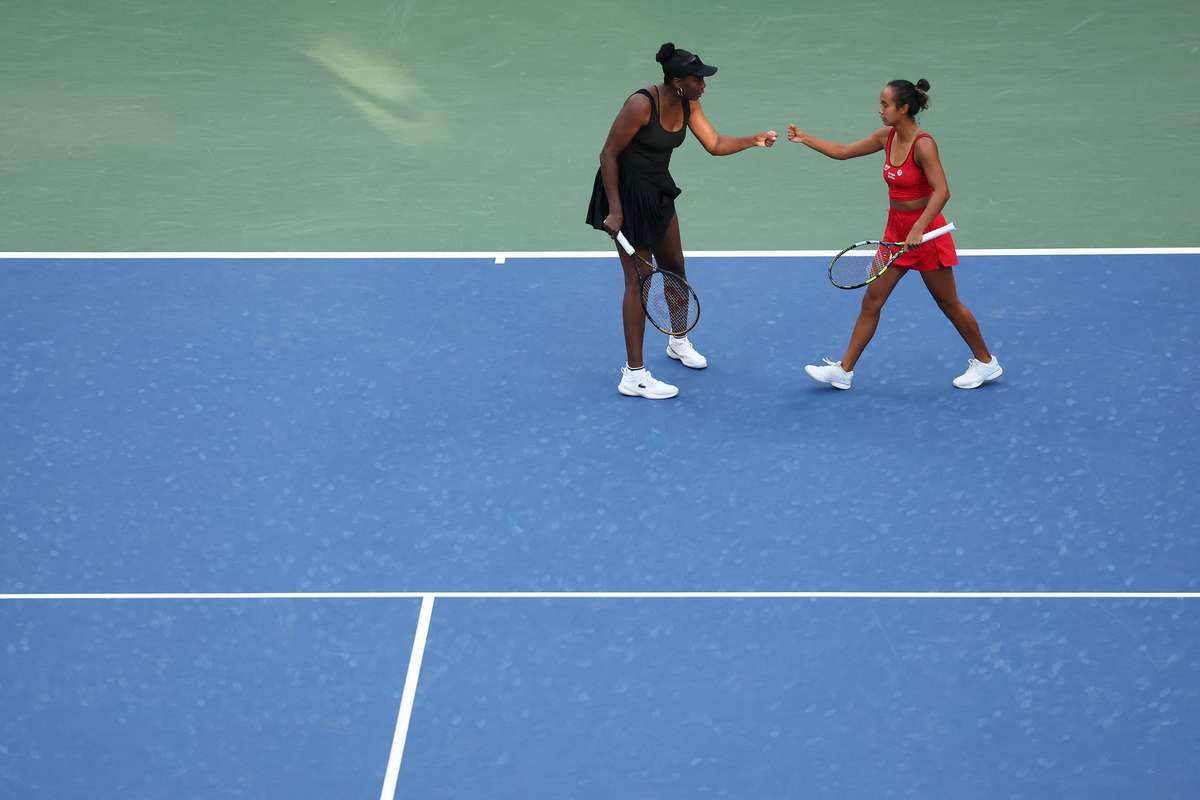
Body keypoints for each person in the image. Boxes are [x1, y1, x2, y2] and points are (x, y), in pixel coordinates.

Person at [587, 42, 778, 399]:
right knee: (639, 283)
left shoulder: (690, 103)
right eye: (697, 80)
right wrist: (615, 210)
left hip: (658, 191)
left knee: (675, 267)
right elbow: (608, 154)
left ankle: (678, 340)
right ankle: (634, 375)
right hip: (626, 196)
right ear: (677, 82)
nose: (703, 85)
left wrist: (754, 141)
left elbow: (715, 143)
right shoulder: (641, 104)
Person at [787, 79, 1002, 390]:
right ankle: (844, 371)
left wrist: (918, 228)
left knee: (948, 303)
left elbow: (942, 191)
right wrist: (805, 138)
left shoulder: (923, 144)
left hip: (926, 234)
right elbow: (844, 151)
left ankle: (986, 362)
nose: (880, 110)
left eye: (885, 105)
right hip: (896, 233)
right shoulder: (885, 136)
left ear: (903, 109)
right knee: (871, 301)